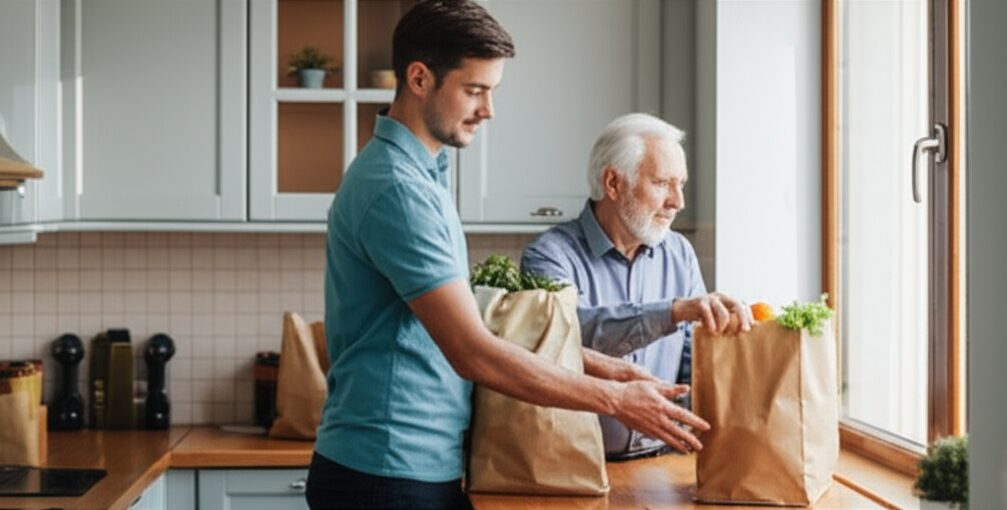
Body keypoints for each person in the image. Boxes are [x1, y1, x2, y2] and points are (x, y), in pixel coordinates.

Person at [305, 2, 711, 509]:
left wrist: (603, 368)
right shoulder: (396, 189)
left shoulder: (423, 176)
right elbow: (471, 350)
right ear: (419, 78)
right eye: (474, 90)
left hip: (408, 465)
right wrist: (615, 400)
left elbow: (472, 325)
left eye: (491, 91)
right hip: (385, 470)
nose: (488, 109)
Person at [521, 113, 753, 460]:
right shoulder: (548, 256)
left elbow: (693, 363)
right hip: (571, 468)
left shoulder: (679, 253)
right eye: (662, 183)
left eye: (681, 184)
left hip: (662, 463)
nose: (678, 201)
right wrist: (673, 312)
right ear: (613, 183)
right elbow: (567, 338)